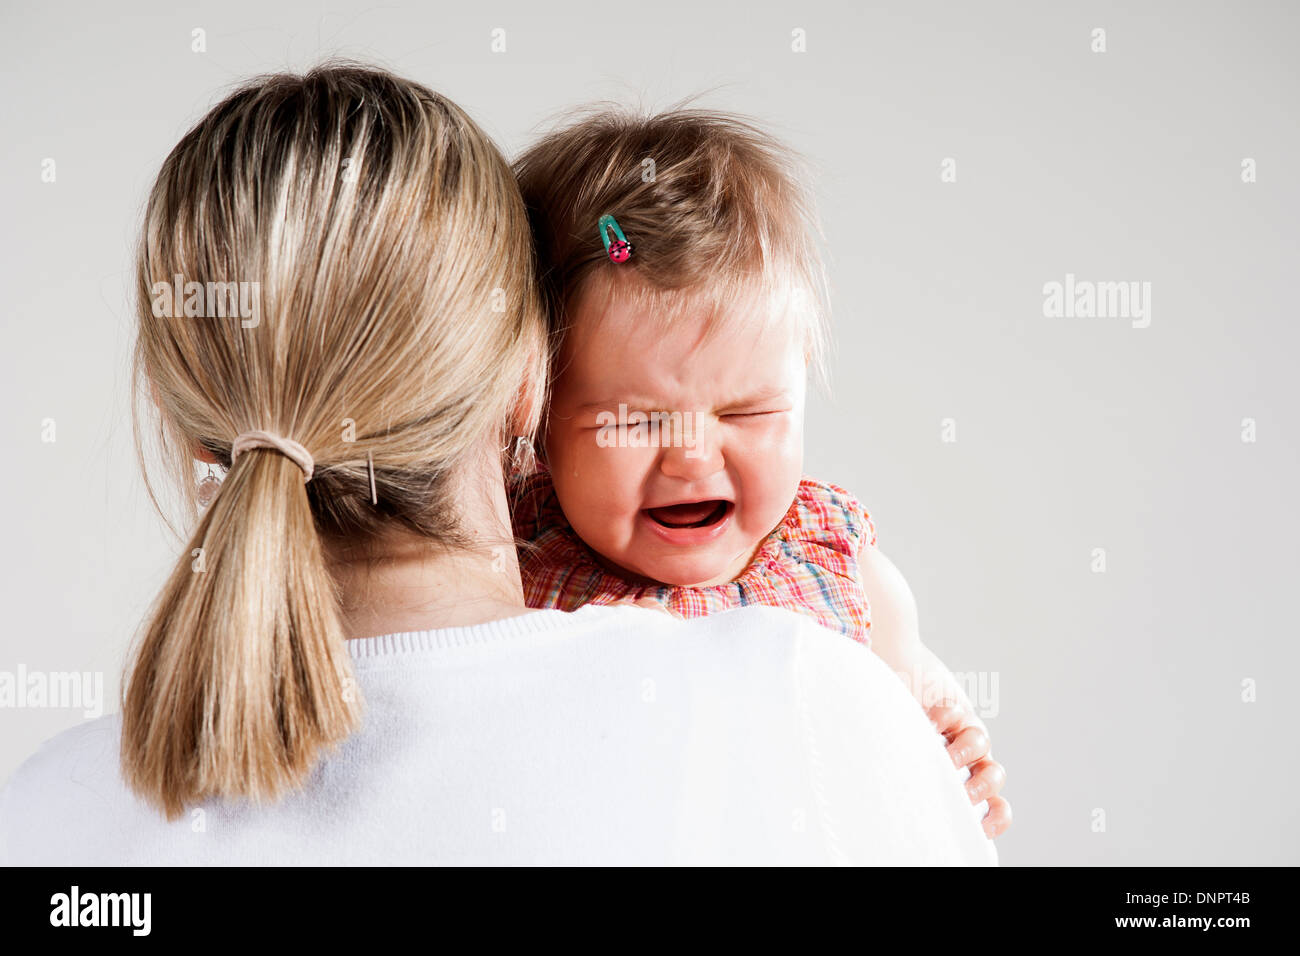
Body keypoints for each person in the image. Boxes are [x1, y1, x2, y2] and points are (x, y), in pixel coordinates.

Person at [0, 64, 996, 865]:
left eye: (746, 408)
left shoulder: (41, 816)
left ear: (192, 428)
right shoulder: (805, 702)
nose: (694, 450)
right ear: (533, 382)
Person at [511, 108, 1009, 837]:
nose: (691, 458)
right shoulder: (507, 559)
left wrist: (939, 741)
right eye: (636, 420)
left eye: (745, 414)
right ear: (535, 415)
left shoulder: (845, 578)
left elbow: (887, 785)